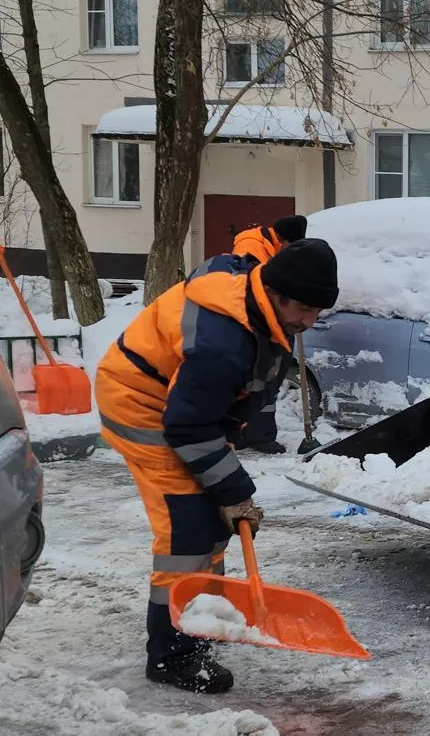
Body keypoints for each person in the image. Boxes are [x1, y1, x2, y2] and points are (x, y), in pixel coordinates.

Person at [94, 238, 339, 693]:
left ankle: (204, 617)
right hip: (142, 404)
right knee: (186, 530)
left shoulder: (255, 295)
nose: (310, 322)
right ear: (277, 292)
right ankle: (172, 656)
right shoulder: (221, 343)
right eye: (304, 309)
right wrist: (233, 490)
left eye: (318, 311)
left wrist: (224, 478)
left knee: (212, 521)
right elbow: (187, 425)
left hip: (184, 404)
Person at [229, 214, 310, 453]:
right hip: (258, 326)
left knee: (264, 381)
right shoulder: (252, 249)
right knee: (265, 379)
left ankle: (247, 432)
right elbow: (255, 292)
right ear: (283, 239)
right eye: (292, 245)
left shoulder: (269, 246)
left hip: (265, 324)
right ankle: (259, 436)